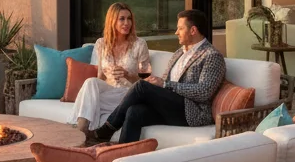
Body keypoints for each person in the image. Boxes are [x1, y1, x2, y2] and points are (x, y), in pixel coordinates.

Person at [94, 9, 225, 146]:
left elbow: (204, 92)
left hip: (191, 111)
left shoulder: (211, 55)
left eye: (180, 28)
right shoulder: (179, 53)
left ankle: (108, 128)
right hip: (171, 106)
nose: (176, 32)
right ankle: (123, 154)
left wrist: (165, 85)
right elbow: (164, 80)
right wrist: (157, 83)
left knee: (141, 86)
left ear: (193, 30)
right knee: (134, 111)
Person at [72, 2, 150, 142]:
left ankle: (79, 138)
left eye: (129, 18)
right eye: (122, 19)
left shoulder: (140, 44)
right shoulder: (101, 43)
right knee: (90, 82)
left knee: (88, 100)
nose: (127, 23)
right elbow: (99, 78)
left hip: (127, 94)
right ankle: (82, 131)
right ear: (112, 21)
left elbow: (145, 84)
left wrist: (126, 74)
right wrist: (106, 77)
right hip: (108, 92)